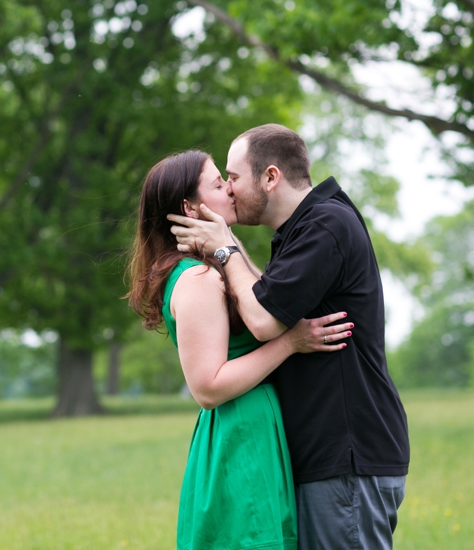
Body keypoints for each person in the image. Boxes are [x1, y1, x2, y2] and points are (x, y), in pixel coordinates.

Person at [167, 125, 410, 549]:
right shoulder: (302, 230)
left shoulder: (325, 225)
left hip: (345, 456)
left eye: (234, 178)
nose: (230, 190)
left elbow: (262, 320)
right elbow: (267, 301)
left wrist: (226, 250)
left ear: (271, 177)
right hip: (330, 459)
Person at [127, 149, 353, 550]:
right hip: (239, 438)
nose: (231, 189)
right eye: (218, 183)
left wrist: (226, 245)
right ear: (190, 208)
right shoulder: (197, 279)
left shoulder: (211, 268)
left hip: (256, 432)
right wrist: (291, 343)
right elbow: (207, 388)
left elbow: (264, 298)